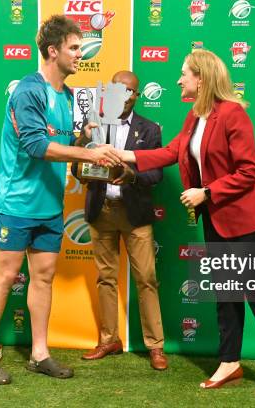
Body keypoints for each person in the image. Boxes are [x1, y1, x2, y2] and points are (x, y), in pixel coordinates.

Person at [118, 49, 255, 397]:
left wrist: (206, 192)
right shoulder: (195, 116)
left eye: (184, 73)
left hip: (250, 219)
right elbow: (171, 152)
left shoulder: (233, 115)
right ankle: (229, 362)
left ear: (202, 78)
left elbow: (248, 172)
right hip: (218, 219)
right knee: (226, 295)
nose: (179, 79)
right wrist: (128, 155)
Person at [0, 15, 121, 385]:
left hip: (50, 206)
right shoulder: (28, 91)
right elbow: (36, 145)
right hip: (16, 203)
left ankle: (39, 353)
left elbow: (66, 145)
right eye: (73, 47)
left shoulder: (69, 97)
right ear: (53, 51)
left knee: (44, 277)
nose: (79, 54)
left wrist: (87, 137)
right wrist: (91, 154)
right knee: (4, 276)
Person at [72, 71, 167, 370]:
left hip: (135, 214)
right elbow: (76, 167)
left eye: (129, 91)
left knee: (147, 280)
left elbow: (156, 173)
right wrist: (84, 150)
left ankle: (155, 346)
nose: (122, 96)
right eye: (117, 89)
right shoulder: (94, 126)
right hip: (102, 211)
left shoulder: (149, 129)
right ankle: (109, 339)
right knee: (105, 278)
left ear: (137, 96)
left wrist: (131, 175)